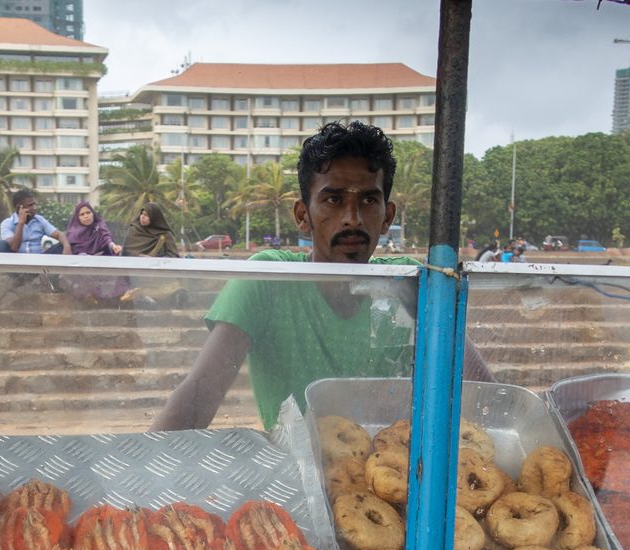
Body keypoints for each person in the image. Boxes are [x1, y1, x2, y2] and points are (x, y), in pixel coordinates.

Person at [151, 121, 492, 432]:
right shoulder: (268, 279)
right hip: (295, 472)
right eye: (333, 199)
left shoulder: (411, 282)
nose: (352, 219)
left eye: (369, 200)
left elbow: (485, 398)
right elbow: (198, 395)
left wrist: (428, 315)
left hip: (392, 472)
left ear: (387, 217)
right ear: (303, 215)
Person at [62, 201, 133, 304]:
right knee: (69, 273)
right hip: (82, 266)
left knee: (115, 266)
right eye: (82, 214)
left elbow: (106, 237)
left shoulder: (99, 226)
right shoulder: (72, 232)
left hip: (100, 260)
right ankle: (87, 297)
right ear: (77, 218)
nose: (86, 216)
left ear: (93, 213)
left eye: (88, 212)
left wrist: (113, 246)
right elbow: (72, 252)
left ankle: (125, 293)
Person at [0, 189, 70, 254]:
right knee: (1, 244)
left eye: (34, 204)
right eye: (30, 205)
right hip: (16, 262)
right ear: (19, 208)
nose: (34, 208)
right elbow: (14, 247)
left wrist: (67, 247)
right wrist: (21, 223)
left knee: (63, 244)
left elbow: (59, 235)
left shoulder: (39, 220)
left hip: (38, 260)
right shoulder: (7, 223)